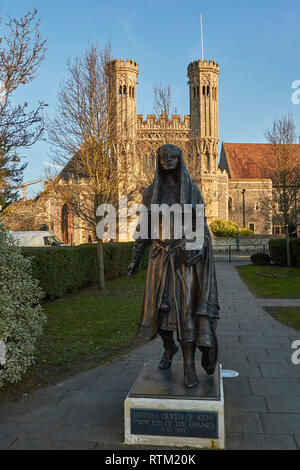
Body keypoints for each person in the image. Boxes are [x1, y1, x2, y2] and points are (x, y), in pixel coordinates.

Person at [128, 144, 219, 388]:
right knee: (158, 312)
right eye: (164, 157)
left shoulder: (192, 190)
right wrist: (136, 258)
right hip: (159, 259)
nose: (168, 160)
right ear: (157, 161)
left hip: (182, 259)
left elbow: (201, 225)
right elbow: (143, 228)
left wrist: (198, 246)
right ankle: (169, 348)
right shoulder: (150, 193)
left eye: (173, 156)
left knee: (186, 315)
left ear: (180, 159)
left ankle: (189, 366)